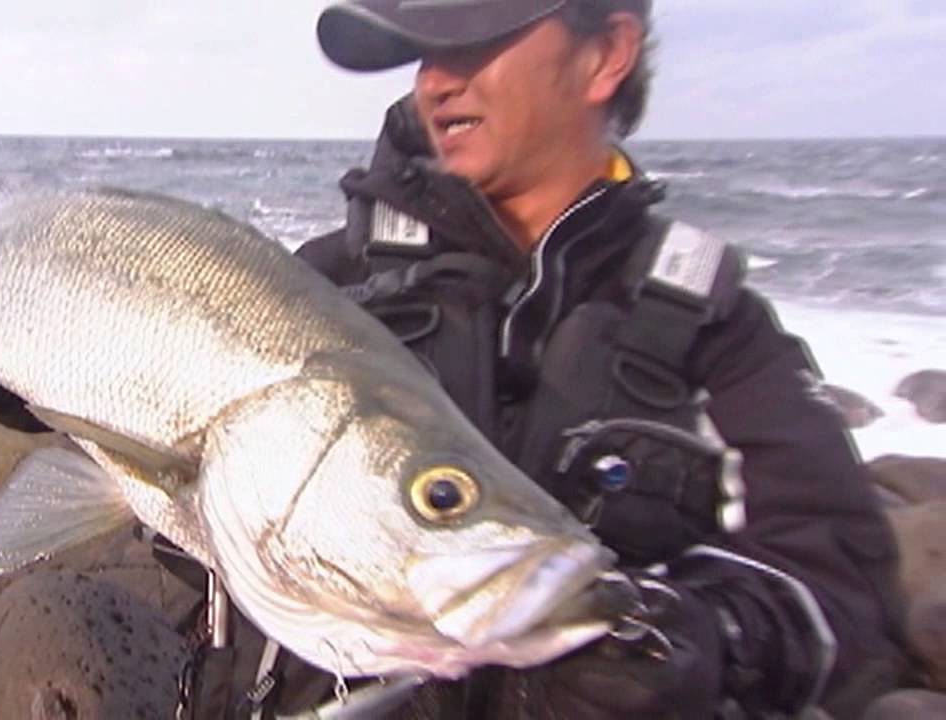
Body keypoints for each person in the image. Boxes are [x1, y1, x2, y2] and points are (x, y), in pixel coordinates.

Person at [270, 0, 909, 718]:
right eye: (423, 55)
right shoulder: (314, 288)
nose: (435, 83)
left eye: (475, 44)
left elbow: (840, 589)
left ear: (606, 54)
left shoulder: (718, 328)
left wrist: (698, 637)